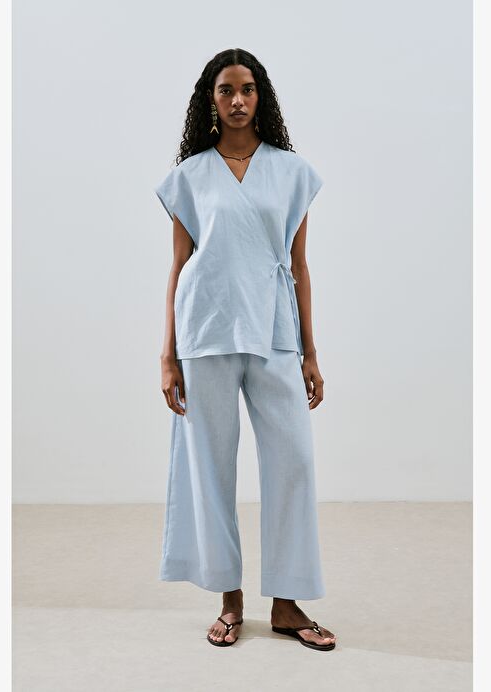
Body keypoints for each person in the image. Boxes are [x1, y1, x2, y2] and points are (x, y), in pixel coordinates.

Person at [154, 48, 336, 651]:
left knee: (293, 462)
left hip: (274, 330)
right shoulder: (190, 175)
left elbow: (300, 266)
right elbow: (179, 266)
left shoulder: (291, 171)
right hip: (204, 329)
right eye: (226, 89)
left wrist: (310, 352)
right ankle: (230, 600)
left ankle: (286, 603)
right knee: (210, 465)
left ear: (262, 97)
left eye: (248, 89)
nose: (238, 100)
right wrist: (167, 355)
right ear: (210, 99)